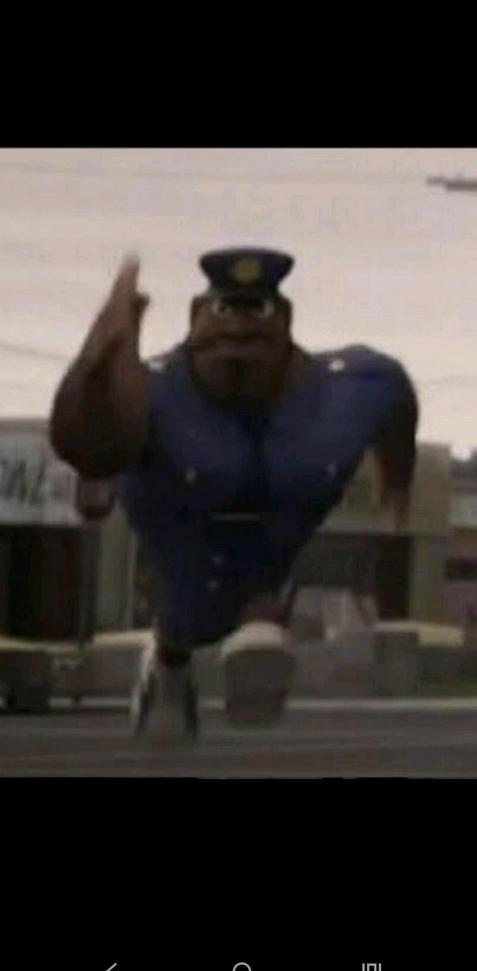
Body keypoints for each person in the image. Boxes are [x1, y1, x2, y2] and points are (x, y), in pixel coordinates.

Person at [49, 249, 418, 742]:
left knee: (261, 595)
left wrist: (398, 478)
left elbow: (395, 399)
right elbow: (91, 441)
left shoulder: (348, 390)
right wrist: (110, 342)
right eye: (225, 311)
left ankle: (255, 627)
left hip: (275, 535)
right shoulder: (155, 396)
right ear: (196, 317)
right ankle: (170, 661)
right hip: (184, 530)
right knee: (192, 611)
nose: (239, 331)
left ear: (284, 319)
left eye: (256, 312)